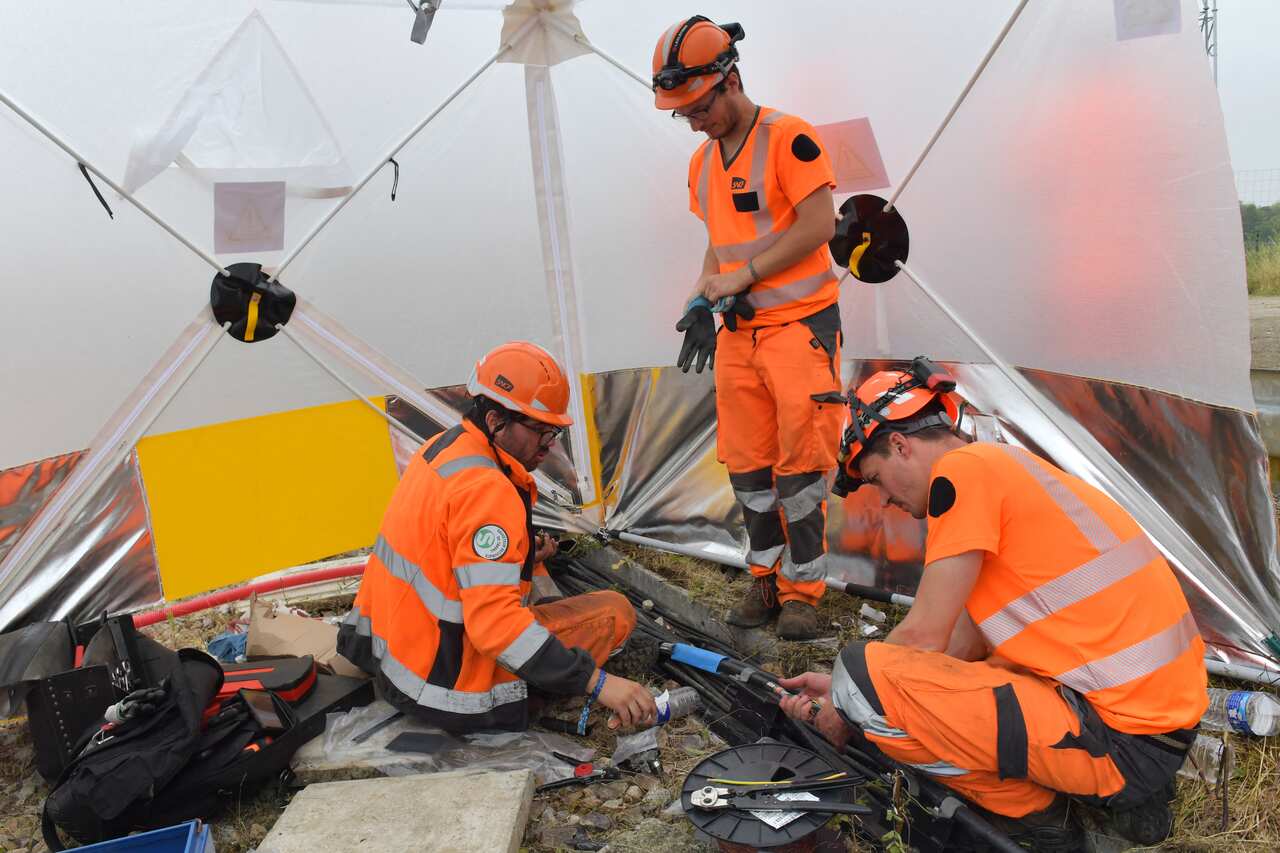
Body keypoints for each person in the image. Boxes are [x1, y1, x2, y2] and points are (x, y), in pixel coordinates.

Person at [777, 359, 1208, 849]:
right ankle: (1120, 797)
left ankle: (1038, 820)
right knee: (894, 678)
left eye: (876, 480)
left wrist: (849, 699)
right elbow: (962, 642)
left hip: (1119, 742)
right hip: (1159, 728)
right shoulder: (1009, 468)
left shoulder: (961, 474)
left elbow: (922, 637)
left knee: (861, 672)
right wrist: (850, 694)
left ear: (900, 445)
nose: (884, 500)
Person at [338, 341, 657, 734]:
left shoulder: (444, 447)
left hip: (390, 654)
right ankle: (523, 693)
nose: (550, 443)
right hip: (445, 688)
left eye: (554, 430)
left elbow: (444, 546)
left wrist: (525, 550)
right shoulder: (489, 491)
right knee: (616, 612)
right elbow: (494, 624)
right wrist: (599, 683)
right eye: (540, 429)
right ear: (495, 421)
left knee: (534, 565)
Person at [653, 15, 843, 640]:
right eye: (682, 113)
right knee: (749, 469)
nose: (694, 120)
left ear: (729, 80)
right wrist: (702, 299)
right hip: (739, 333)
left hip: (799, 329)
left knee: (801, 468)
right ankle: (763, 578)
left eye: (698, 106)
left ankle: (804, 593)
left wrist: (746, 276)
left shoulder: (790, 138)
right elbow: (719, 247)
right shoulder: (702, 163)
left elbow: (820, 226)